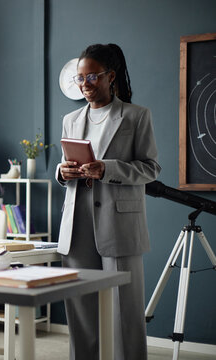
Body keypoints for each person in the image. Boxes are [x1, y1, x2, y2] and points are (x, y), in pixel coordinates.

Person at [56, 44, 161, 360]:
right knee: (81, 310)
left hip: (118, 224)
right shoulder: (71, 119)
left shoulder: (136, 116)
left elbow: (151, 168)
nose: (84, 84)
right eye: (79, 78)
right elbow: (64, 167)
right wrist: (62, 172)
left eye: (91, 77)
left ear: (110, 76)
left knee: (123, 312)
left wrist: (107, 168)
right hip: (77, 227)